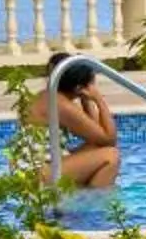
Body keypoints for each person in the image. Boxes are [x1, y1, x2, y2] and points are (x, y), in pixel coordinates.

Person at [44, 55, 119, 190]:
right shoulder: (62, 106)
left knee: (95, 148)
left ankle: (86, 195)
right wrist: (99, 99)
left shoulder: (54, 99)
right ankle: (91, 201)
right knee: (111, 156)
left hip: (44, 167)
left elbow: (96, 139)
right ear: (79, 88)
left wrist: (86, 101)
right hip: (38, 173)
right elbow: (109, 140)